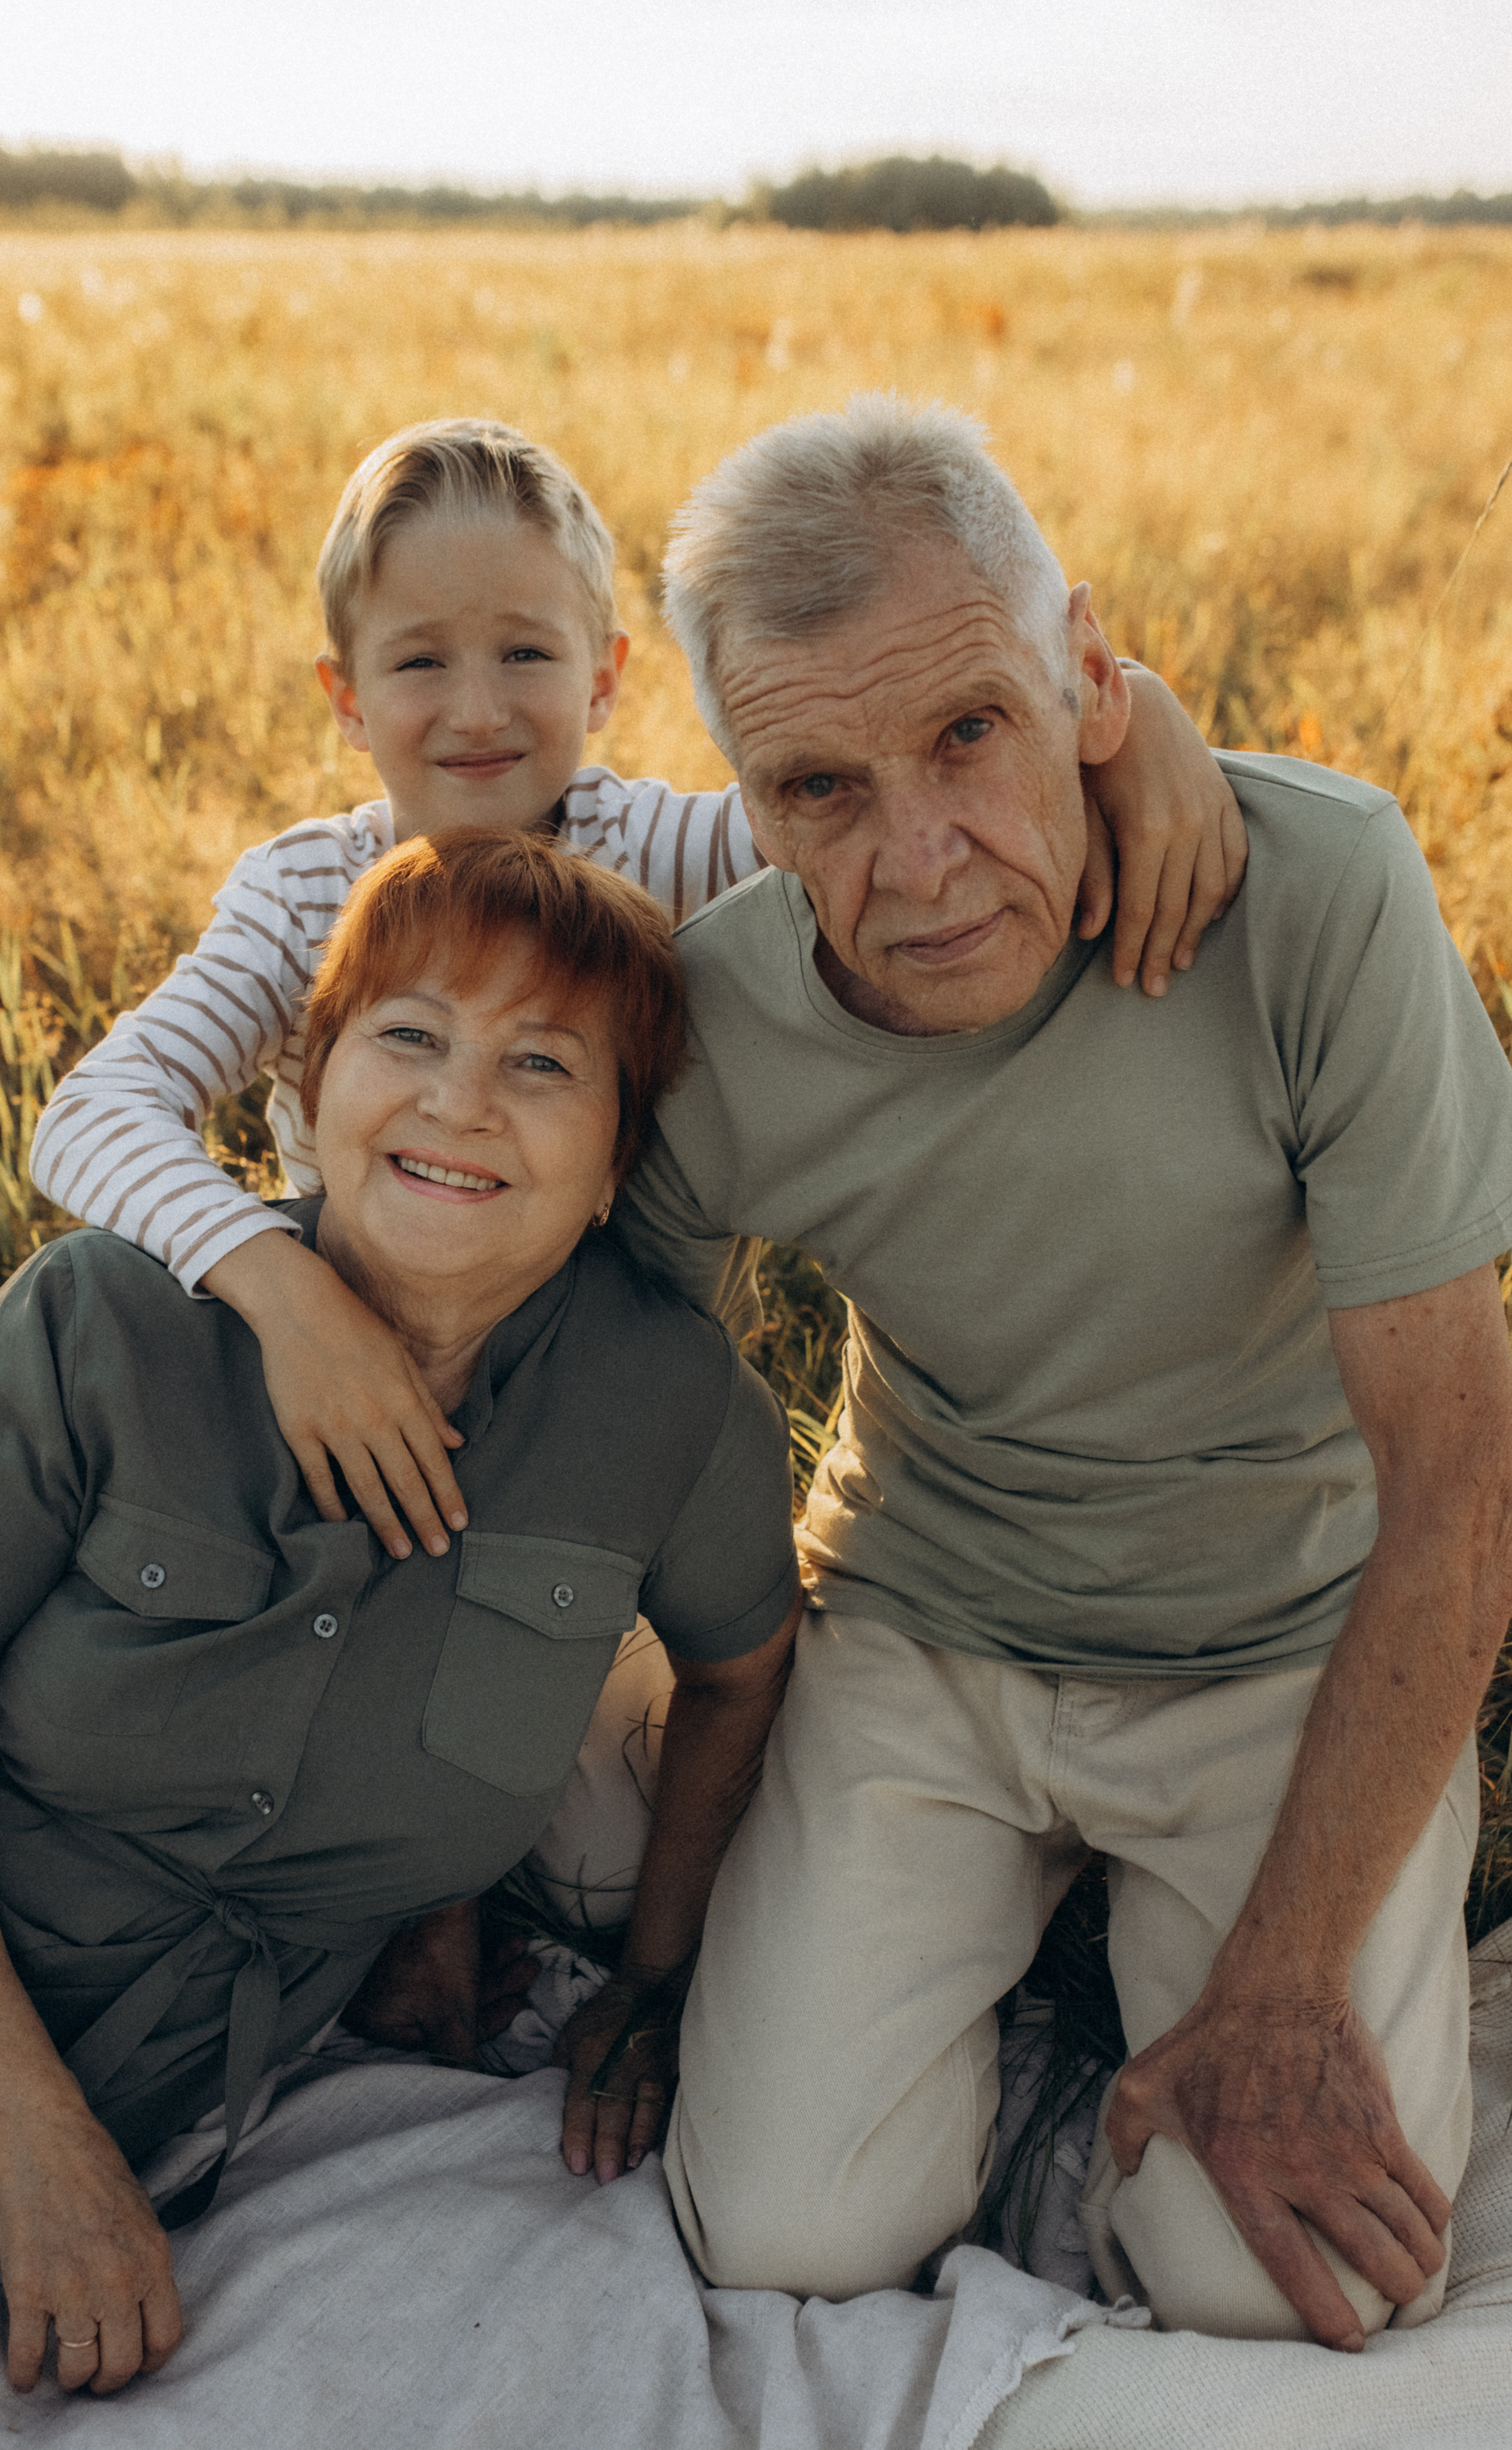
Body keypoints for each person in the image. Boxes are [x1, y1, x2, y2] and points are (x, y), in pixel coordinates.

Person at [603, 395, 1512, 2351]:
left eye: (971, 735)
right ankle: (1027, 2017)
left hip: (1281, 1639)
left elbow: (1461, 1479)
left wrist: (1279, 1990)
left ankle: (1159, 1987)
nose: (920, 862)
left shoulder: (1317, 894)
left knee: (1277, 2284)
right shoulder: (720, 1015)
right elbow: (588, 1382)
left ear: (1092, 671)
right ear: (746, 802)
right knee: (779, 2230)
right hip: (924, 1622)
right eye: (819, 788)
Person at [0, 831, 800, 2397]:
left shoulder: (669, 1409)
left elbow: (741, 1673)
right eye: (410, 1036)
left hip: (212, 2110)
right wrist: (41, 2153)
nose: (458, 1101)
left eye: (541, 1063)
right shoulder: (101, 1321)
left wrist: (651, 1980)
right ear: (309, 1086)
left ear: (618, 1159)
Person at [28, 415, 1245, 1572]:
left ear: (604, 676)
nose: (478, 708)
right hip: (356, 1366)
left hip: (602, 1391)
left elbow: (866, 796)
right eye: (417, 661)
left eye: (525, 652)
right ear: (346, 695)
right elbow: (92, 1114)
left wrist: (1132, 717)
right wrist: (291, 1302)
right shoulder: (305, 893)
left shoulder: (662, 850)